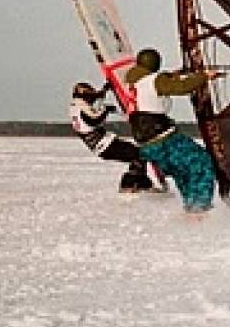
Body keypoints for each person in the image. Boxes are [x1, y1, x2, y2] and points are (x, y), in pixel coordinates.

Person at [124, 48, 219, 213]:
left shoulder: (134, 82)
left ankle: (191, 208)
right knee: (201, 162)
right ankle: (198, 210)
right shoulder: (154, 81)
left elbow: (160, 83)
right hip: (164, 140)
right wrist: (204, 77)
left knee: (181, 171)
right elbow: (180, 87)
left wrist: (172, 75)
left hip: (148, 146)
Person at [69, 81, 155, 193]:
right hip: (105, 145)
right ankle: (130, 184)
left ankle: (142, 183)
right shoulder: (82, 106)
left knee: (138, 154)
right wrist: (106, 110)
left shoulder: (76, 106)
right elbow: (94, 120)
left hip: (102, 146)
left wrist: (105, 89)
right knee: (138, 154)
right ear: (85, 95)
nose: (92, 98)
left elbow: (96, 101)